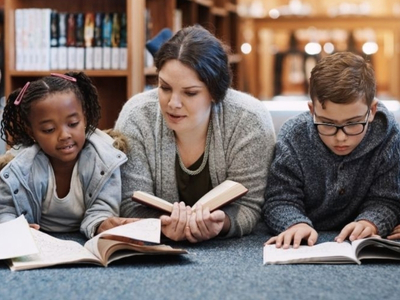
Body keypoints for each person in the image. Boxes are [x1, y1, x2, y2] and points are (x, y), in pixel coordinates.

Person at [114, 25, 276, 243]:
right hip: (157, 252)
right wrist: (161, 227)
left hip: (231, 252)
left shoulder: (249, 119)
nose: (173, 103)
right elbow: (129, 203)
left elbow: (250, 206)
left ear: (215, 92)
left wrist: (222, 224)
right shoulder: (137, 116)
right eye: (165, 88)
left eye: (190, 93)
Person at [263, 51, 400, 249]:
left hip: (357, 244)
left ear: (371, 111)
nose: (340, 137)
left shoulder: (389, 136)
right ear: (312, 111)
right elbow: (279, 198)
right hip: (307, 242)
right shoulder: (294, 136)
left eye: (353, 124)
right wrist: (294, 222)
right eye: (327, 124)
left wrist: (371, 221)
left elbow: (387, 199)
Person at [0, 72, 128, 239]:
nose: (64, 135)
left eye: (73, 124)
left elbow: (102, 207)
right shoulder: (19, 167)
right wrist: (14, 227)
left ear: (85, 118)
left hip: (85, 240)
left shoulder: (104, 159)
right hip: (40, 242)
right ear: (32, 133)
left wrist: (102, 224)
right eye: (49, 130)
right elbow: (6, 209)